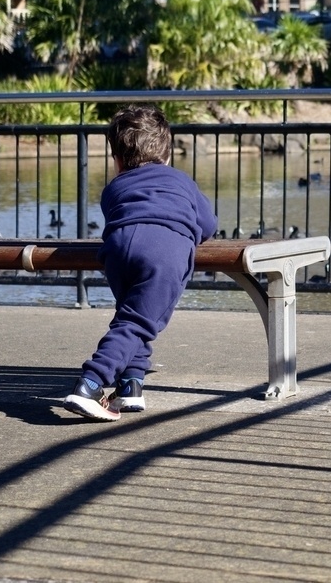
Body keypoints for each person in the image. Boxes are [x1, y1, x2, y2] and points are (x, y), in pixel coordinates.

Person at [63, 104, 218, 421]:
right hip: (164, 251)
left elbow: (118, 214)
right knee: (137, 323)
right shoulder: (182, 181)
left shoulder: (113, 188)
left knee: (132, 316)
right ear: (168, 155)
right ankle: (90, 384)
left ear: (117, 161)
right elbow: (209, 224)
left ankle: (131, 386)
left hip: (118, 251)